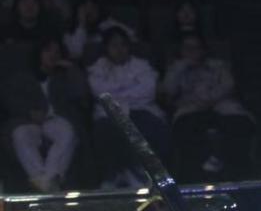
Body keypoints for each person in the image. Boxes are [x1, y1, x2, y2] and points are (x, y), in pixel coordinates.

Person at [160, 33, 253, 180]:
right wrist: (180, 68)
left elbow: (228, 85)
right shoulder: (176, 67)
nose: (192, 52)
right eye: (188, 48)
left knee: (239, 123)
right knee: (186, 128)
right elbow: (168, 90)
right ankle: (198, 173)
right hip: (190, 108)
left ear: (204, 50)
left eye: (196, 48)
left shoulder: (218, 65)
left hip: (221, 105)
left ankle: (236, 173)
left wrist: (209, 99)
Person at [2, 38, 89, 192]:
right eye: (48, 50)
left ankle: (46, 180)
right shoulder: (23, 77)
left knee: (68, 132)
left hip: (57, 119)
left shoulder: (63, 76)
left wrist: (71, 68)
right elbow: (9, 100)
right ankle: (46, 181)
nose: (53, 55)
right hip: (28, 120)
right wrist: (28, 112)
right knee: (20, 134)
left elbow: (80, 92)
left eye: (57, 52)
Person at [88, 26, 168, 185]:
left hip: (141, 109)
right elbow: (100, 92)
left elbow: (148, 91)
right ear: (106, 48)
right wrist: (130, 88)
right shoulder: (98, 67)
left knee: (151, 128)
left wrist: (116, 91)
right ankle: (113, 177)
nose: (119, 49)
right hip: (107, 113)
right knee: (106, 131)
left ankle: (142, 175)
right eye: (114, 45)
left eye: (123, 44)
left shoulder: (141, 65)